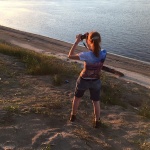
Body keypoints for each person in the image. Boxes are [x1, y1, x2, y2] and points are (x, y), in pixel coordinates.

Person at [68, 31, 107, 128]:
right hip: (96, 80)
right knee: (96, 101)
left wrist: (77, 42)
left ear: (90, 41)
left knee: (77, 98)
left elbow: (70, 55)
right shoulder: (104, 53)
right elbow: (95, 51)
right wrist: (88, 40)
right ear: (100, 41)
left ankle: (73, 116)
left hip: (84, 79)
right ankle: (97, 121)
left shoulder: (85, 55)